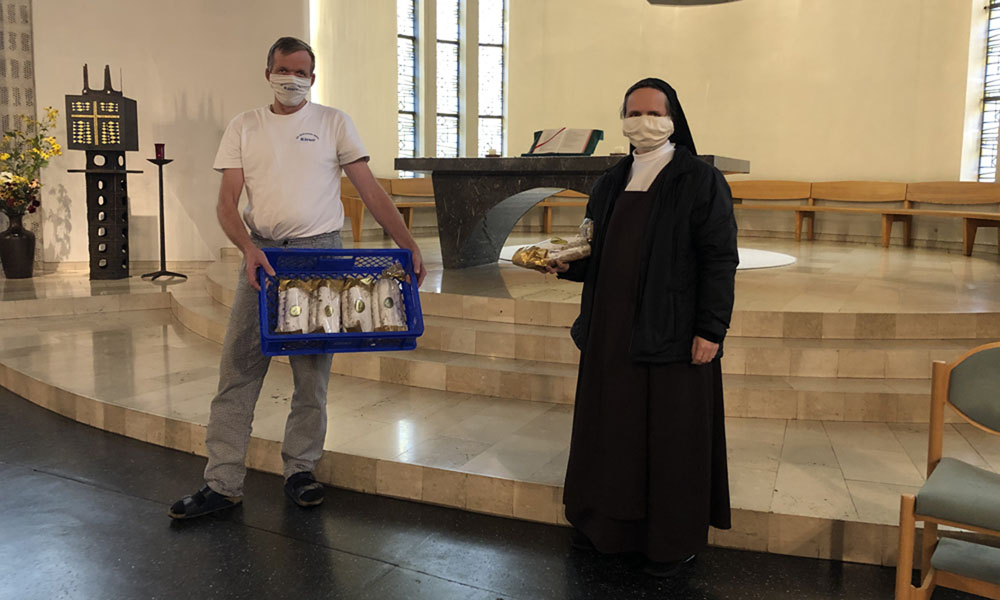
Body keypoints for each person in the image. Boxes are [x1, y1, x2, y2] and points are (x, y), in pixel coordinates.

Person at [169, 37, 426, 520]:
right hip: (264, 257)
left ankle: (301, 469)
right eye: (284, 70)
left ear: (313, 76)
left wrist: (407, 243)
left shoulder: (333, 122)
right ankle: (222, 482)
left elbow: (369, 191)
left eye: (301, 72)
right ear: (268, 71)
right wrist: (247, 248)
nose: (292, 79)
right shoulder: (244, 126)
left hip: (319, 256)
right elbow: (227, 201)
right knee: (239, 369)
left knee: (312, 376)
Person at [548, 77, 737, 577]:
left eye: (655, 113)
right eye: (634, 113)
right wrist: (569, 264)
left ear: (673, 118)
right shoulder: (611, 180)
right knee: (611, 432)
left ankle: (671, 541)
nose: (644, 122)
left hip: (672, 333)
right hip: (611, 334)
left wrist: (711, 329)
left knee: (669, 439)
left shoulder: (699, 179)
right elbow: (598, 251)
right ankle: (604, 527)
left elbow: (719, 260)